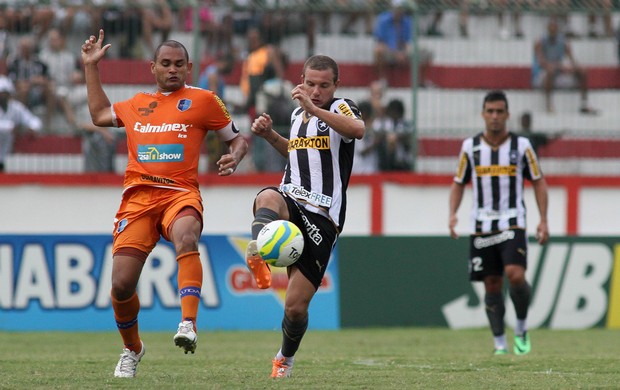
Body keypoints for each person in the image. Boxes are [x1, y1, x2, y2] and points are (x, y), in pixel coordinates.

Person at [81, 29, 248, 378]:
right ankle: (132, 350)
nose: (173, 70)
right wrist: (91, 68)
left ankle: (188, 323)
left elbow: (237, 140)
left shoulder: (204, 100)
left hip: (180, 194)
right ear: (152, 67)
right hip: (138, 201)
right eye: (165, 64)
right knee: (121, 285)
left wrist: (234, 157)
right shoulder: (136, 104)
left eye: (179, 64)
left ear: (189, 67)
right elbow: (98, 114)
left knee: (188, 235)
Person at [245, 54, 364, 378]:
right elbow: (299, 153)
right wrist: (270, 135)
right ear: (301, 80)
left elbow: (358, 130)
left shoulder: (341, 108)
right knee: (267, 195)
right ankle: (257, 249)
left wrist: (315, 109)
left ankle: (284, 357)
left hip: (323, 216)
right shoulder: (298, 115)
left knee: (295, 308)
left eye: (324, 85)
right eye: (310, 84)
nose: (316, 91)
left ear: (335, 86)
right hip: (292, 198)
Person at [448, 90, 549, 356]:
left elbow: (538, 181)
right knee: (491, 284)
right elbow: (458, 183)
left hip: (513, 222)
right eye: (490, 111)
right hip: (481, 225)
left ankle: (522, 327)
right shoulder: (471, 148)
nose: (494, 116)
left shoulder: (522, 146)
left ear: (507, 115)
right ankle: (500, 344)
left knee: (515, 275)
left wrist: (543, 220)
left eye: (499, 111)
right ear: (483, 114)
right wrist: (452, 214)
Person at [532, 18, 598, 115]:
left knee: (582, 71)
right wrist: (556, 66)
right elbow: (541, 62)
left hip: (558, 71)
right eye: (551, 27)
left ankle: (584, 103)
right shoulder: (540, 42)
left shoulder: (563, 42)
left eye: (554, 27)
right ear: (547, 29)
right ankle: (548, 104)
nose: (553, 30)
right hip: (543, 73)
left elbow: (572, 60)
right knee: (550, 71)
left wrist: (573, 67)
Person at [373, 0, 432, 86]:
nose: (398, 11)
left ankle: (422, 81)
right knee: (378, 50)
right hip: (389, 51)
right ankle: (382, 79)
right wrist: (396, 53)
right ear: (392, 8)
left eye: (400, 9)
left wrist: (404, 53)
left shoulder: (407, 21)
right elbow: (381, 42)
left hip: (403, 51)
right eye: (397, 9)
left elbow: (408, 42)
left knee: (426, 53)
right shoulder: (383, 20)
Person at [0, 75, 42, 172]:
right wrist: (10, 127)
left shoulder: (16, 107)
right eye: (1, 93)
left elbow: (33, 120)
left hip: (6, 151)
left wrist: (33, 128)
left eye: (5, 93)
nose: (3, 96)